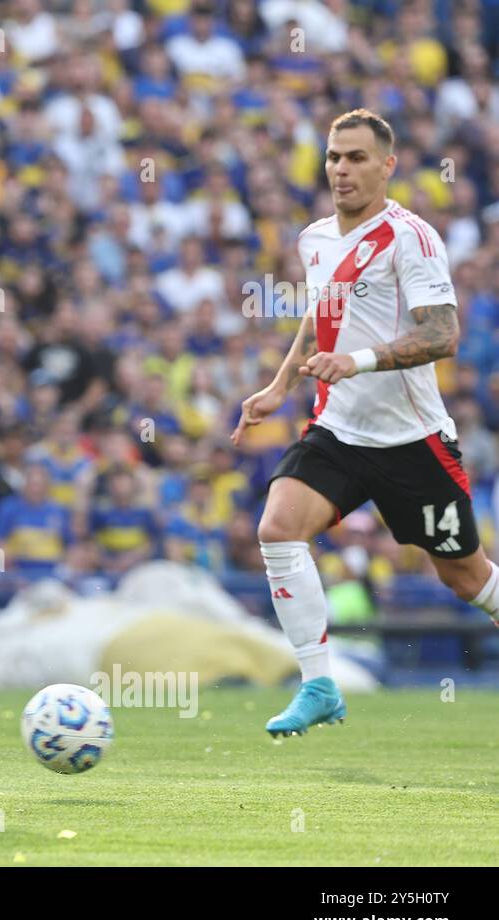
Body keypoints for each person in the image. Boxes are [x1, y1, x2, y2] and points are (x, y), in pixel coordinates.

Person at [233, 110, 495, 736]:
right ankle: (319, 684)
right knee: (277, 528)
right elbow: (318, 316)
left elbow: (442, 334)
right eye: (333, 157)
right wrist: (279, 384)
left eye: (355, 158)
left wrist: (357, 361)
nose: (342, 170)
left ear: (387, 165)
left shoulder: (412, 238)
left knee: (466, 577)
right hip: (338, 431)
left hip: (412, 440)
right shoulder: (315, 239)